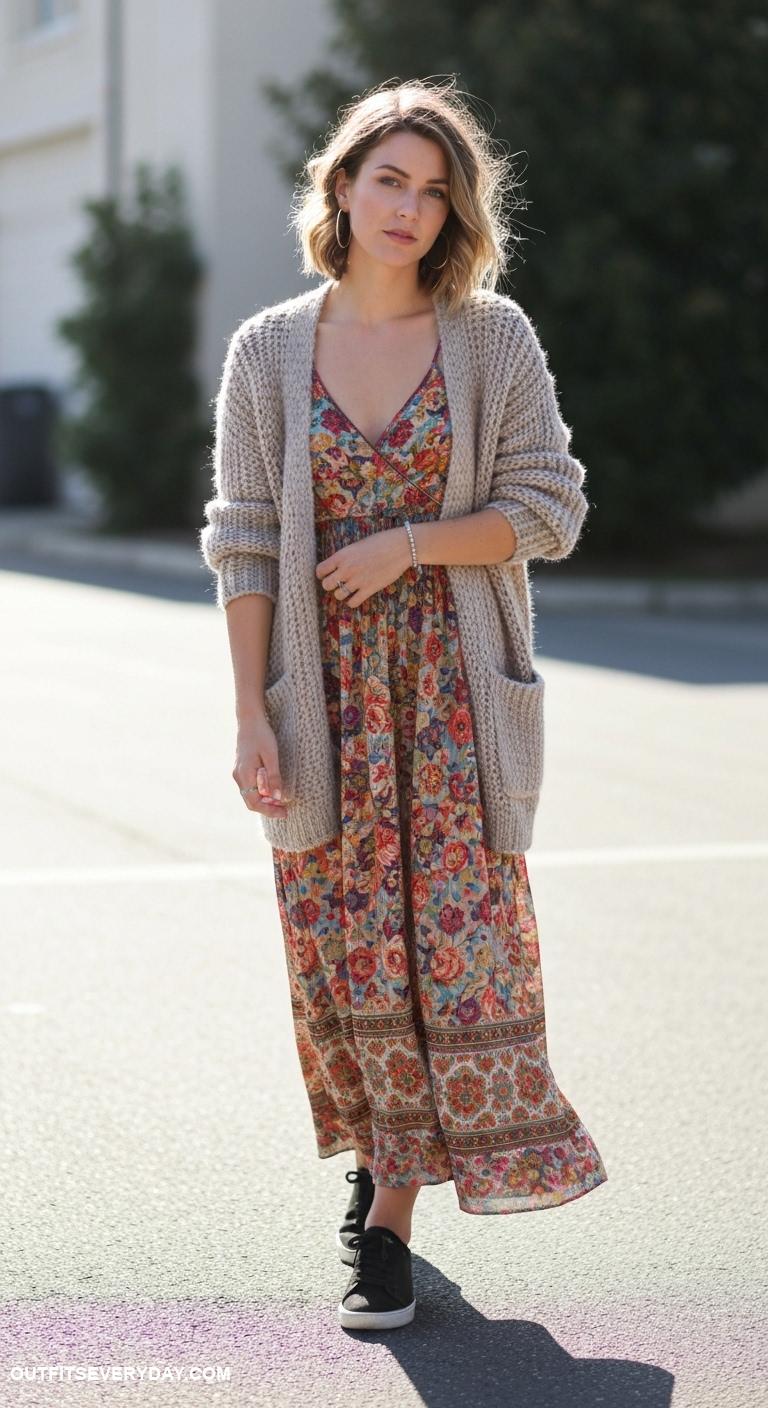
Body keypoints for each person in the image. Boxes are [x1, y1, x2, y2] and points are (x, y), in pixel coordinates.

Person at [200, 77, 608, 1333]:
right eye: (391, 179)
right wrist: (252, 715)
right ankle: (380, 1191)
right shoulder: (269, 351)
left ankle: (390, 1221)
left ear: (455, 212)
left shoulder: (494, 340)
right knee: (351, 960)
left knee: (463, 965)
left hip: (454, 709)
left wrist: (411, 546)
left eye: (435, 191)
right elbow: (249, 545)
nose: (411, 208)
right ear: (341, 184)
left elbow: (552, 506)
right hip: (323, 707)